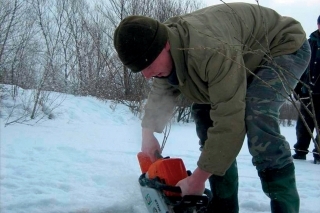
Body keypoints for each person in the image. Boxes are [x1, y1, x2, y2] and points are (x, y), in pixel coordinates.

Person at [113, 3, 311, 213]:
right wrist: (147, 133)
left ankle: (285, 207)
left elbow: (230, 123)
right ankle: (224, 207)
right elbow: (163, 88)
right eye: (140, 69)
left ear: (165, 45)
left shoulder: (209, 50)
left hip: (282, 46)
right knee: (204, 113)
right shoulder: (164, 42)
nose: (146, 75)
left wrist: (198, 179)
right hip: (240, 54)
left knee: (256, 114)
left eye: (148, 64)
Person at [293, 15, 320, 164]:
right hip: (307, 91)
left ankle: (319, 154)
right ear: (317, 24)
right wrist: (296, 88)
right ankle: (300, 151)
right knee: (303, 123)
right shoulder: (308, 44)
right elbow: (299, 67)